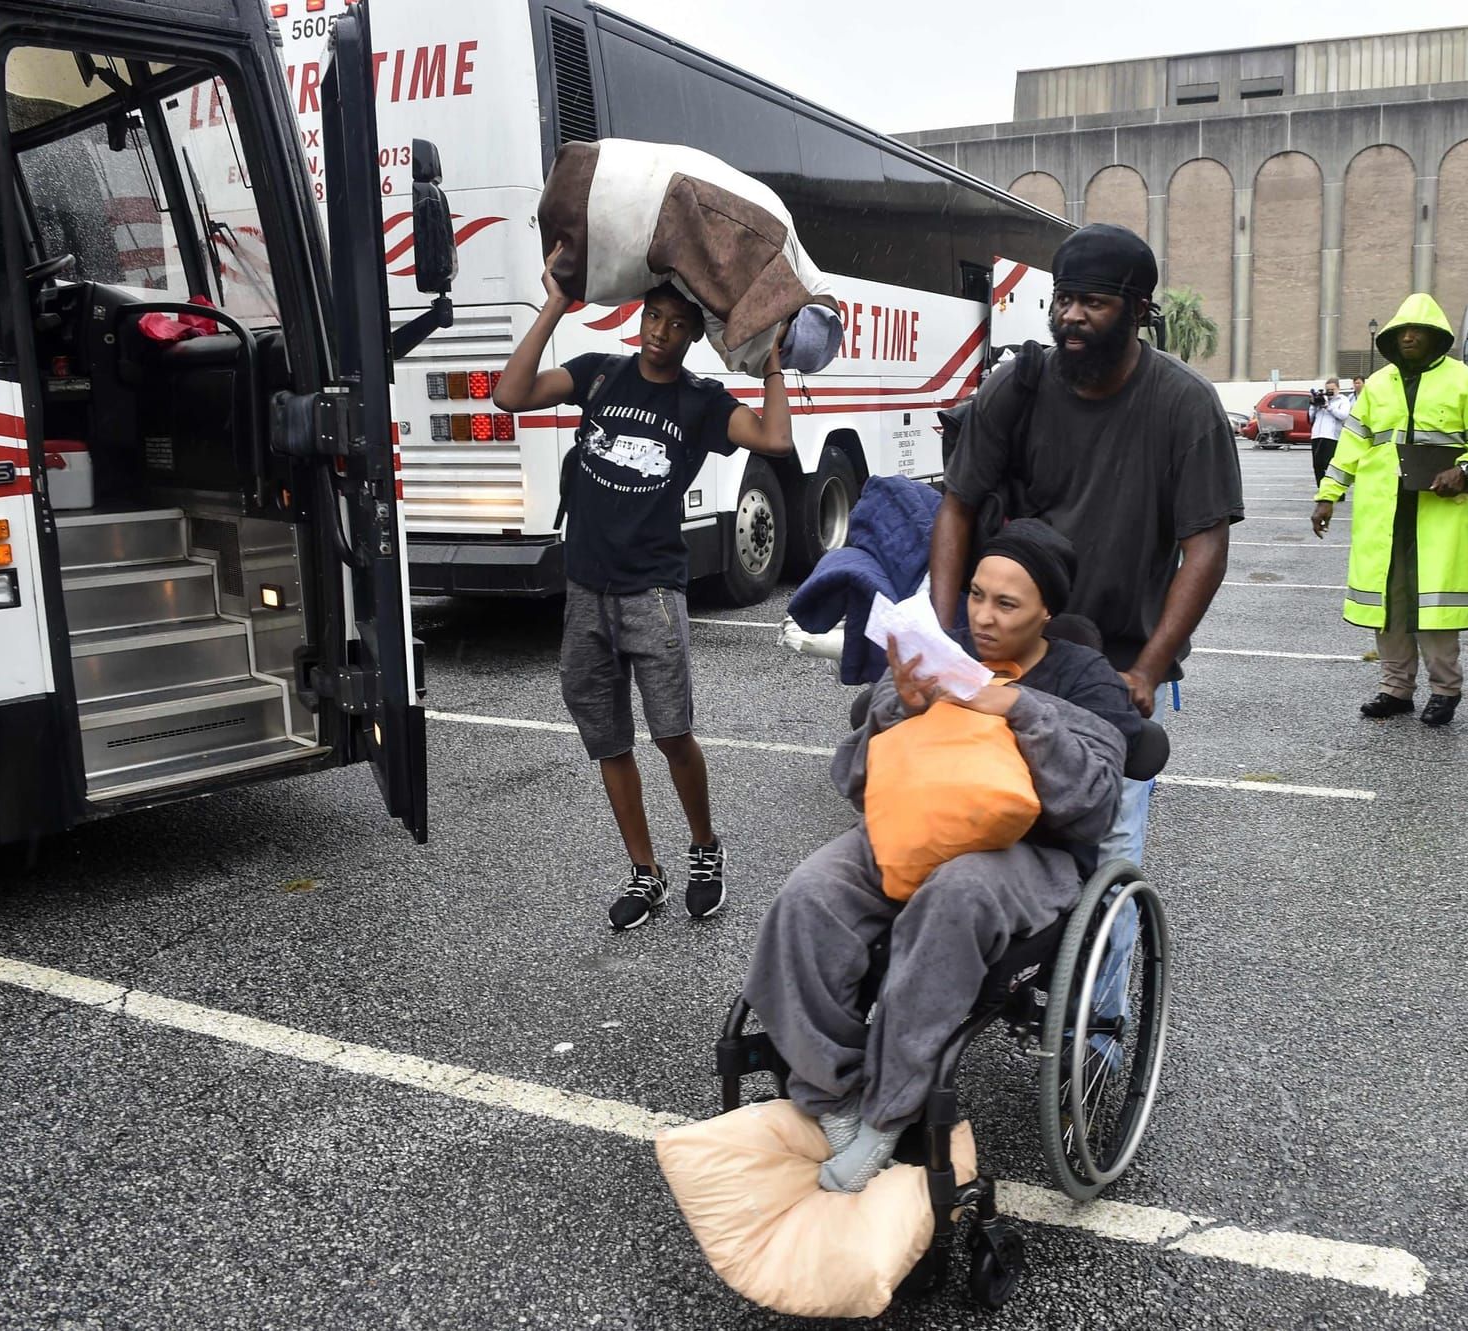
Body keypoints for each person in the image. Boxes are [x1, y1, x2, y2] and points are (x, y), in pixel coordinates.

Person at [745, 520, 1139, 1192]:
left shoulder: (1084, 677)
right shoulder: (941, 652)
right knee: (809, 894)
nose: (983, 616)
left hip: (1030, 851)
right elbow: (855, 783)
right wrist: (900, 705)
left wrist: (1018, 707)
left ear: (1048, 610)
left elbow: (1093, 804)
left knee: (954, 897)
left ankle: (888, 1112)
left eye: (1006, 605)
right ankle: (834, 1096)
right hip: (918, 823)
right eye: (977, 596)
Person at [494, 247, 794, 929]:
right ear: (637, 317)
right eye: (652, 317)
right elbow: (509, 396)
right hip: (585, 591)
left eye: (676, 324)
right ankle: (645, 873)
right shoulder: (598, 376)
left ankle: (705, 848)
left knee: (672, 734)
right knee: (609, 741)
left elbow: (774, 438)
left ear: (693, 335)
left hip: (653, 592)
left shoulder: (699, 401)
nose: (660, 332)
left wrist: (770, 360)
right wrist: (555, 304)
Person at [929, 223, 1242, 867]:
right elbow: (956, 506)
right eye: (1063, 299)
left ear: (1138, 312)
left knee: (1107, 850)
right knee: (982, 829)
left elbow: (1205, 549)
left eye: (1093, 303)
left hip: (1115, 661)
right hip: (1014, 649)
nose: (1071, 317)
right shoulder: (1018, 386)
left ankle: (1099, 964)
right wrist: (941, 636)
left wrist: (1148, 669)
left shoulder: (1186, 406)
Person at [1310, 294, 1468, 726]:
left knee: (1434, 605)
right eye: (1401, 332)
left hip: (1443, 513)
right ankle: (1396, 689)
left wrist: (1465, 468)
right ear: (1391, 340)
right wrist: (1328, 495)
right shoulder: (1378, 385)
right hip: (1385, 514)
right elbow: (1353, 445)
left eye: (1418, 331)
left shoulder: (1466, 381)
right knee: (1390, 604)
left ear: (1438, 337)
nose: (1410, 337)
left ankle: (1445, 691)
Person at [1308, 376, 1352, 486]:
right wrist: (1314, 405)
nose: (1330, 392)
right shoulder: (1322, 398)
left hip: (1332, 436)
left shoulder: (1343, 400)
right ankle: (1322, 490)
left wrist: (1328, 407)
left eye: (1332, 390)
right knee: (1317, 465)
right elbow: (1310, 418)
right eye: (1328, 390)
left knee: (1331, 465)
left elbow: (1343, 415)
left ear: (1338, 389)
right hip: (1317, 435)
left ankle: (1336, 491)